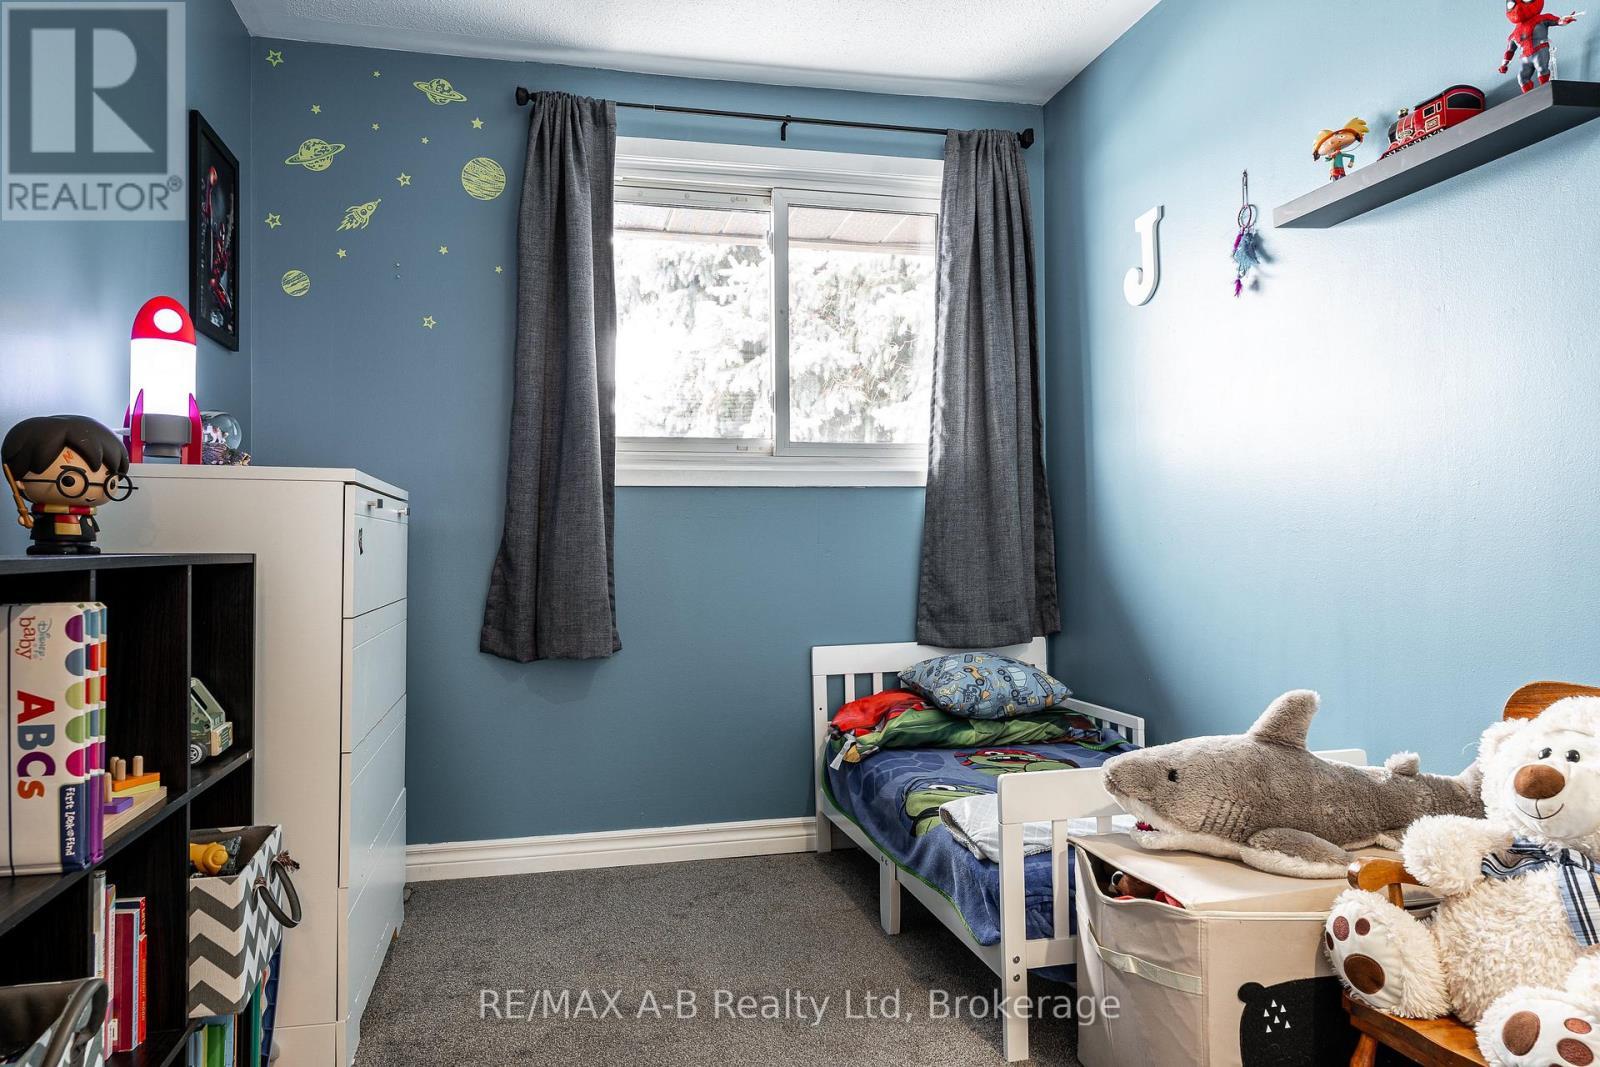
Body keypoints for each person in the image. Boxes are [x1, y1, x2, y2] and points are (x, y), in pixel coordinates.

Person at [2, 415, 133, 555]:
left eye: (111, 482)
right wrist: (29, 518)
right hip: (53, 539)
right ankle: (56, 546)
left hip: (83, 537)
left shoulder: (87, 512)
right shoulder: (46, 511)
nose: (93, 488)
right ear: (19, 482)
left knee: (86, 549)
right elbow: (36, 519)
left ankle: (83, 545)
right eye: (69, 480)